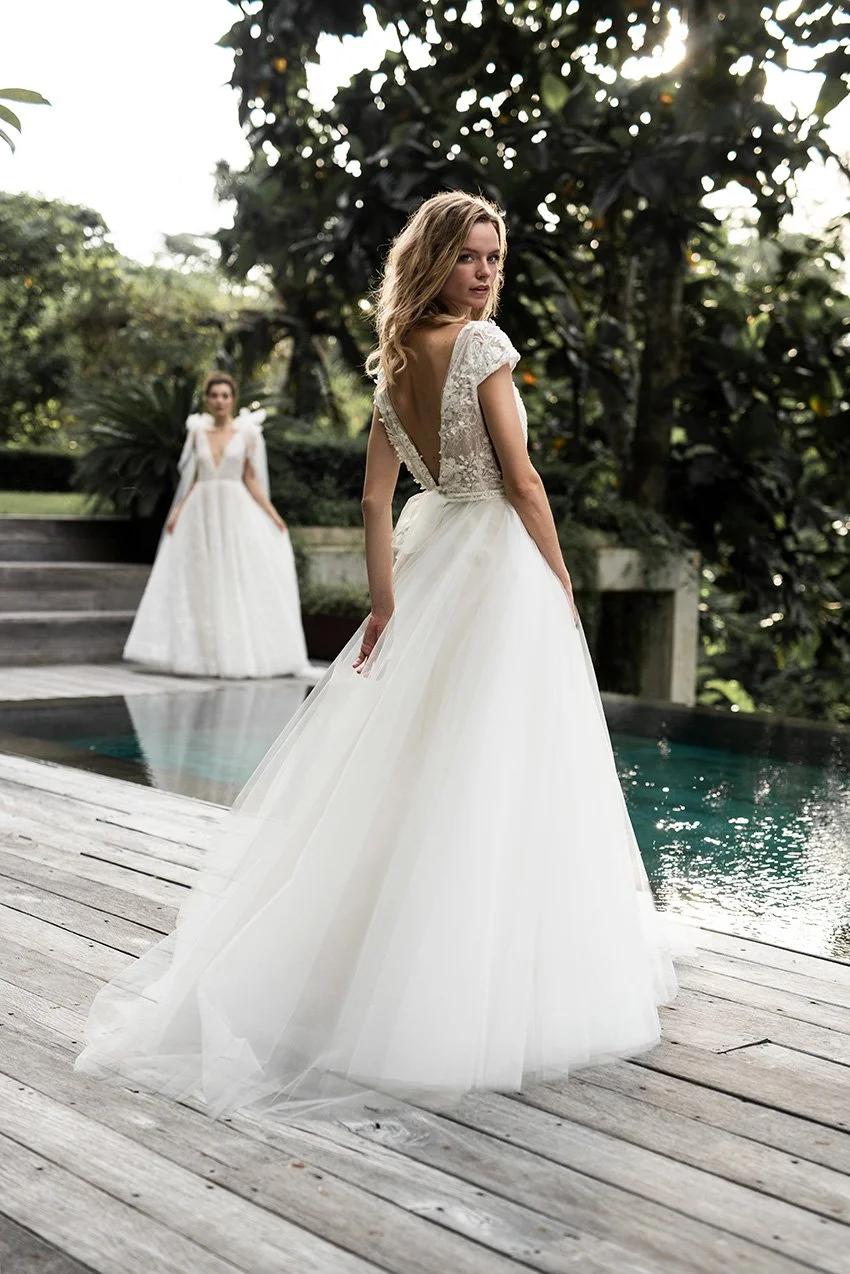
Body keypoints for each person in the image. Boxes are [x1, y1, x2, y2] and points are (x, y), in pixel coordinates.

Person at [76, 193, 678, 1116]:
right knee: (503, 765)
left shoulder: (394, 364)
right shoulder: (482, 347)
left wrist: (389, 602)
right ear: (434, 259)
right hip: (496, 567)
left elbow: (373, 502)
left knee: (421, 768)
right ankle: (485, 985)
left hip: (434, 560)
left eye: (494, 257)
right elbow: (521, 480)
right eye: (471, 257)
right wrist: (559, 579)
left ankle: (375, 973)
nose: (485, 273)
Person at [123, 371, 310, 679]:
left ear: (233, 399)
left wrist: (273, 514)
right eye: (214, 396)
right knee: (201, 579)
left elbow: (251, 478)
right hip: (200, 512)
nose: (220, 401)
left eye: (225, 395)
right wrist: (178, 510)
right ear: (207, 400)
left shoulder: (248, 433)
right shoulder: (197, 432)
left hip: (235, 509)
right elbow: (194, 478)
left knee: (234, 575)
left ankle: (236, 653)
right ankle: (200, 655)